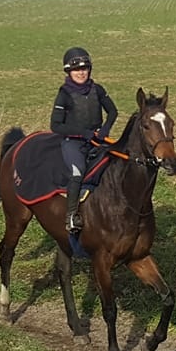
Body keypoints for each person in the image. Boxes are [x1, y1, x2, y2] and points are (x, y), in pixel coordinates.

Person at [50, 46, 118, 232]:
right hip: (73, 142)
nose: (81, 73)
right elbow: (56, 126)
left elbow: (113, 111)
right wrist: (82, 133)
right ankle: (72, 216)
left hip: (97, 140)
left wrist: (105, 129)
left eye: (84, 68)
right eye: (76, 70)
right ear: (68, 72)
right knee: (78, 173)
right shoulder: (64, 95)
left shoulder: (98, 89)